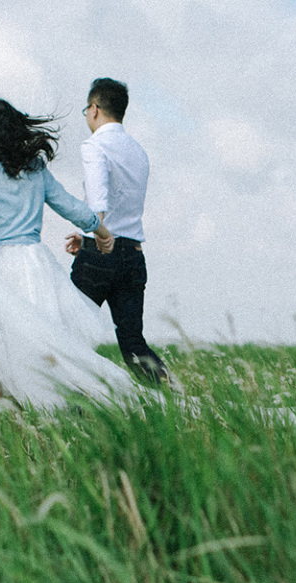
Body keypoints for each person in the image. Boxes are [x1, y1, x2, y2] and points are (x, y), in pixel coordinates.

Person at [0, 96, 148, 412]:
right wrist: (101, 230)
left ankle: (33, 414)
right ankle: (56, 408)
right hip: (36, 265)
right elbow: (67, 203)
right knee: (44, 348)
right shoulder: (35, 168)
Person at [66, 78, 171, 386]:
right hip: (133, 256)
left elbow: (98, 203)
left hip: (100, 253)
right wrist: (83, 234)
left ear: (95, 109)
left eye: (87, 109)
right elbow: (122, 206)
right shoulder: (138, 151)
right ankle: (171, 398)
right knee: (132, 343)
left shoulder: (94, 146)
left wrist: (93, 235)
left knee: (69, 334)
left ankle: (74, 406)